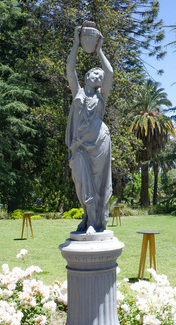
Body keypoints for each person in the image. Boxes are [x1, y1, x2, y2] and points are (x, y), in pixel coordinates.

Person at [65, 25, 113, 233]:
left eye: (100, 76)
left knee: (97, 183)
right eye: (96, 73)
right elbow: (69, 69)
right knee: (81, 184)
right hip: (79, 145)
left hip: (100, 142)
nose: (100, 75)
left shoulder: (101, 97)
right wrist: (76, 44)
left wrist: (100, 50)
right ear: (86, 76)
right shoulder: (77, 91)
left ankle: (93, 221)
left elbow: (110, 72)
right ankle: (87, 216)